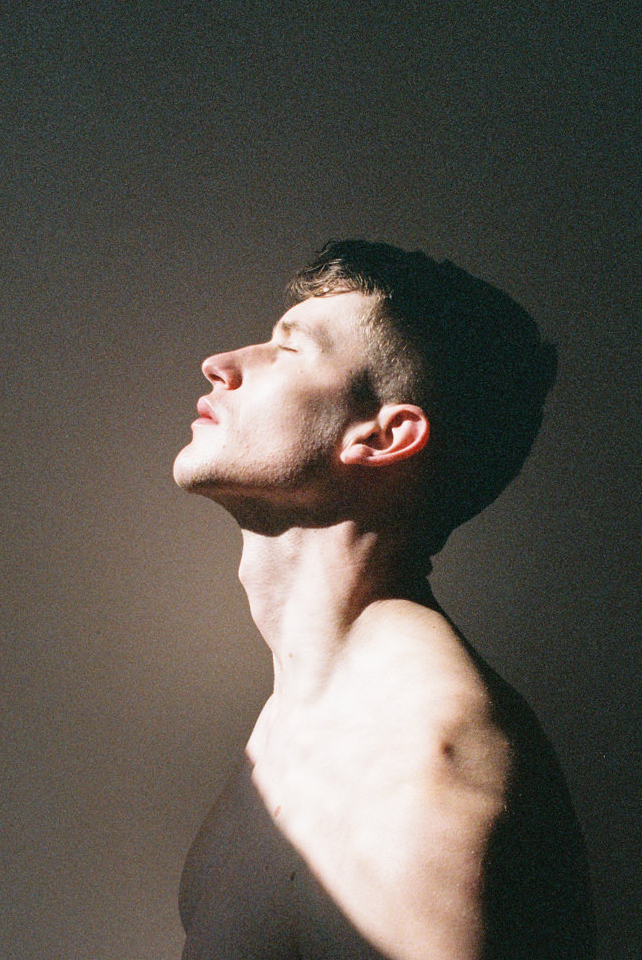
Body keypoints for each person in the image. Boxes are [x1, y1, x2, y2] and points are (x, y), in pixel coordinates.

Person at [173, 240, 596, 959]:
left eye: (289, 348)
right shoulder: (298, 722)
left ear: (384, 436)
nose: (222, 363)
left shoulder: (428, 772)